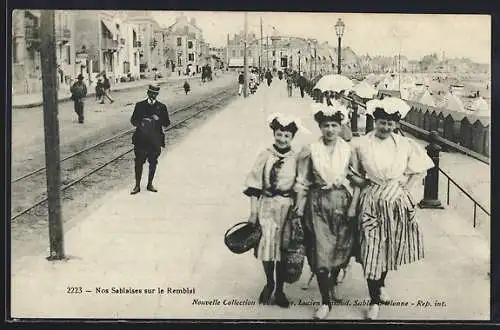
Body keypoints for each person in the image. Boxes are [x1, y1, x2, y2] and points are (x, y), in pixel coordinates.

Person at [354, 103, 434, 320]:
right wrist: (365, 184)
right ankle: (373, 301)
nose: (386, 127)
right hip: (371, 201)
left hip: (396, 202)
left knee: (389, 246)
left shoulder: (405, 144)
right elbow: (353, 172)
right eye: (382, 122)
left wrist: (405, 188)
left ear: (396, 124)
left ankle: (380, 285)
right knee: (371, 248)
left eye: (390, 123)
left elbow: (420, 168)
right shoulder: (362, 144)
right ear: (375, 122)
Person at [293, 105, 360, 320]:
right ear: (320, 127)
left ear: (341, 127)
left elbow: (357, 180)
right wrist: (299, 208)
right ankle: (325, 301)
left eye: (334, 125)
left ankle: (331, 286)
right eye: (325, 126)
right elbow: (302, 181)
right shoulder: (311, 150)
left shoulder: (349, 150)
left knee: (341, 251)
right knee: (320, 253)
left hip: (342, 204)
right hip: (318, 205)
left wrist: (353, 207)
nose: (330, 130)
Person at [244, 114, 304, 308]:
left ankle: (280, 290)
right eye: (279, 134)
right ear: (274, 134)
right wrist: (253, 212)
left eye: (287, 136)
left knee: (283, 250)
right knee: (267, 247)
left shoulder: (296, 157)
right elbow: (254, 184)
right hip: (267, 206)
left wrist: (298, 207)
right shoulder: (265, 155)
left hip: (286, 208)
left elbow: (301, 184)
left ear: (292, 137)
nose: (282, 139)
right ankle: (269, 282)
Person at [130, 84, 171, 194]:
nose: (153, 95)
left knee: (153, 163)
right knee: (138, 163)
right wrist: (143, 121)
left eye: (155, 93)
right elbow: (133, 121)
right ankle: (137, 186)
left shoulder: (162, 107)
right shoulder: (140, 105)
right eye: (151, 93)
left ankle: (149, 184)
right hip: (141, 140)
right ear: (147, 93)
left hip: (155, 141)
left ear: (157, 94)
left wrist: (159, 119)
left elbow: (167, 123)